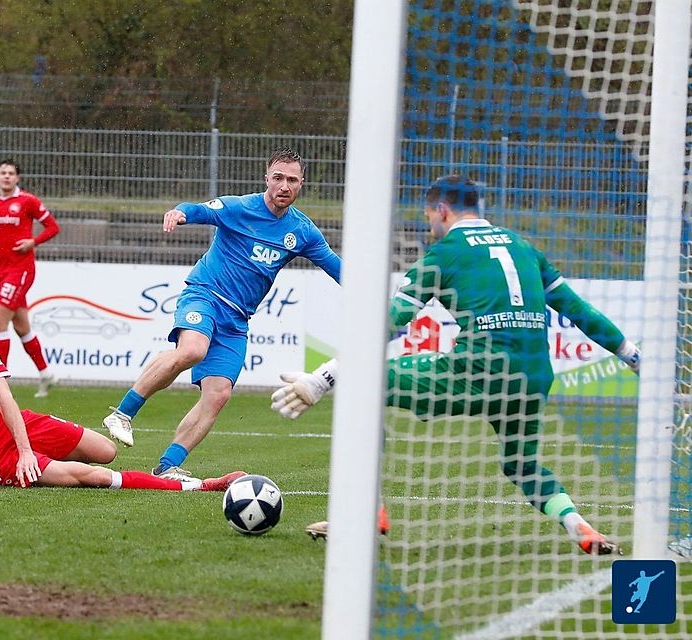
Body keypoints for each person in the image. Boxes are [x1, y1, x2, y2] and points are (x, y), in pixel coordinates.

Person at [270, 175, 641, 555]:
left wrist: (325, 376)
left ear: (442, 210)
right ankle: (578, 525)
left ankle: (366, 515)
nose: (430, 224)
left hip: (477, 371)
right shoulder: (522, 246)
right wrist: (632, 355)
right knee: (520, 464)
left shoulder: (445, 252)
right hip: (533, 378)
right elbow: (578, 310)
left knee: (363, 387)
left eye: (429, 216)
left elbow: (392, 319)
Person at [0, 263, 245, 493]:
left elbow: (4, 398)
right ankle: (200, 487)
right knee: (91, 477)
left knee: (105, 451)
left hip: (10, 428)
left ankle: (42, 462)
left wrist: (25, 448)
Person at [101, 148, 341, 481]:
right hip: (205, 295)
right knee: (191, 350)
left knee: (218, 395)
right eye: (278, 178)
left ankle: (167, 466)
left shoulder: (302, 231)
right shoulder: (240, 207)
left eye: (292, 180)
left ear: (301, 185)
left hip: (236, 321)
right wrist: (178, 213)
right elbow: (198, 210)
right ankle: (122, 414)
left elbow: (336, 268)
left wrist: (371, 297)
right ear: (266, 179)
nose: (284, 185)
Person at [0, 159, 60, 398]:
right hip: (3, 272)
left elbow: (52, 227)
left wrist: (33, 242)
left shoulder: (27, 201)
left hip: (22, 270)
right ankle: (46, 373)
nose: (6, 176)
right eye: (3, 173)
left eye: (11, 173)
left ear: (17, 178)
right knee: (21, 327)